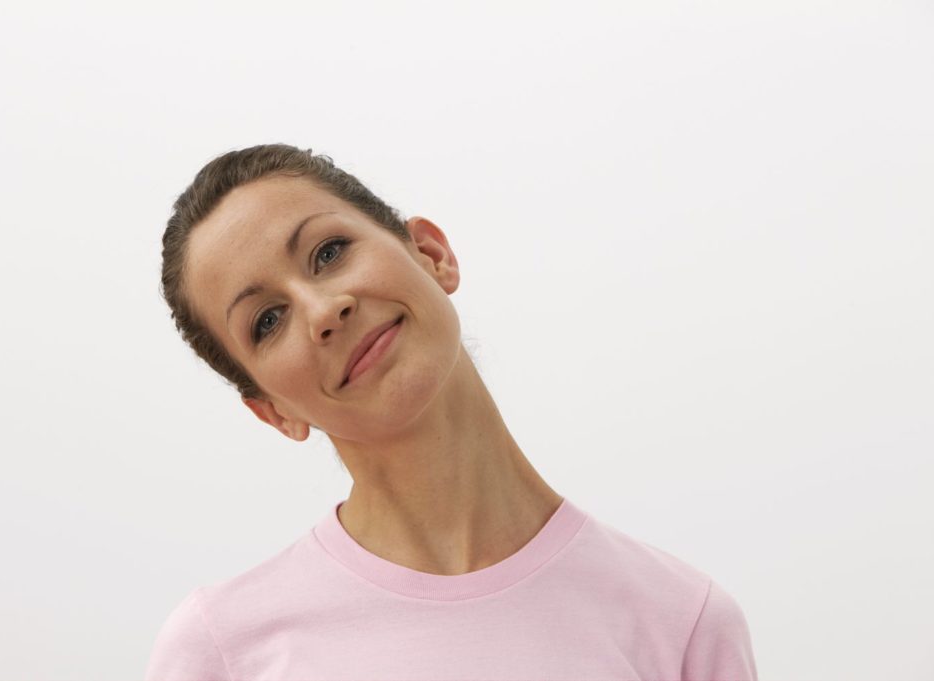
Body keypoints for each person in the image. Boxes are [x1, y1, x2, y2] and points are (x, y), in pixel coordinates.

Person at [146, 143, 759, 680]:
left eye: (329, 251)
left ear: (431, 253)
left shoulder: (681, 624)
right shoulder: (221, 653)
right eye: (268, 321)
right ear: (273, 412)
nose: (323, 310)